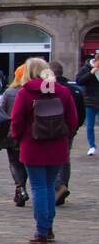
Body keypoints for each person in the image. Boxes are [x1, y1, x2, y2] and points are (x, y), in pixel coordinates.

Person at [10, 58, 79, 244]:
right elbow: (73, 119)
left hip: (32, 146)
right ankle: (48, 228)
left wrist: (17, 138)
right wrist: (66, 136)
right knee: (49, 187)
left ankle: (41, 232)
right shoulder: (63, 91)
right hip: (57, 147)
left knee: (39, 187)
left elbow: (16, 121)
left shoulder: (25, 93)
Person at [48, 60, 84, 206]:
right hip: (68, 130)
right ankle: (63, 186)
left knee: (50, 159)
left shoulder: (49, 89)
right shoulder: (74, 89)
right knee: (65, 159)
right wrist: (74, 129)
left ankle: (59, 187)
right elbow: (80, 113)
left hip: (50, 131)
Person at [0, 67, 29, 207]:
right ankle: (21, 187)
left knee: (14, 162)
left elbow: (2, 112)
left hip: (11, 133)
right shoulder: (32, 92)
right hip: (28, 134)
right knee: (25, 163)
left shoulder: (9, 92)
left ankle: (20, 187)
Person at [76, 51, 99, 157]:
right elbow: (79, 81)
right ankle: (92, 146)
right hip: (90, 101)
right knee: (89, 126)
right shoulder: (85, 68)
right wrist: (91, 73)